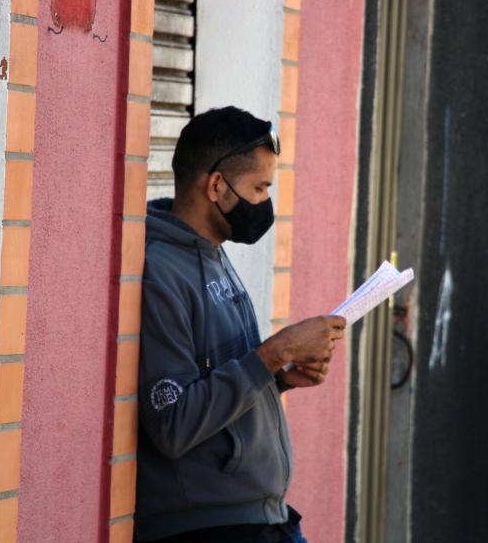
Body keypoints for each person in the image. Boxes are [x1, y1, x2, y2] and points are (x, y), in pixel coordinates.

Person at [134, 106, 346, 543]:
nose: (265, 202)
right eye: (259, 187)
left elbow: (222, 379)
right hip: (210, 526)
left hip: (262, 517)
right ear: (216, 185)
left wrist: (279, 378)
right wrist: (274, 353)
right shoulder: (159, 272)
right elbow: (173, 423)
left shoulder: (212, 254)